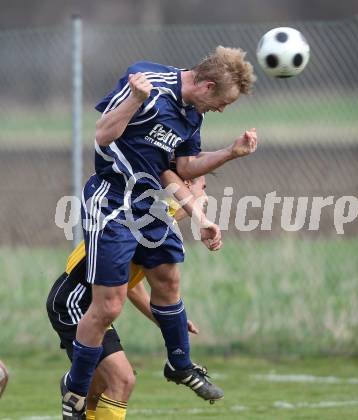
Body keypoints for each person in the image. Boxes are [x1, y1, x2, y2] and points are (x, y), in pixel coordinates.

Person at [61, 46, 257, 419]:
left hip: (149, 202)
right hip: (113, 198)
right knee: (109, 306)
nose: (221, 110)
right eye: (222, 102)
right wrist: (136, 99)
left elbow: (185, 166)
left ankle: (179, 364)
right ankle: (74, 392)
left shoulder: (191, 115)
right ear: (207, 85)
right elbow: (103, 135)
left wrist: (231, 151)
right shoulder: (148, 81)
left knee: (168, 277)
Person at [49, 174, 206, 420]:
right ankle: (73, 383)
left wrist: (164, 319)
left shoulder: (155, 228)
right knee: (121, 379)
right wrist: (198, 208)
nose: (205, 196)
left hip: (92, 306)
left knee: (103, 384)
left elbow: (131, 287)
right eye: (201, 187)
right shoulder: (148, 217)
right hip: (74, 301)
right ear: (184, 187)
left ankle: (75, 385)